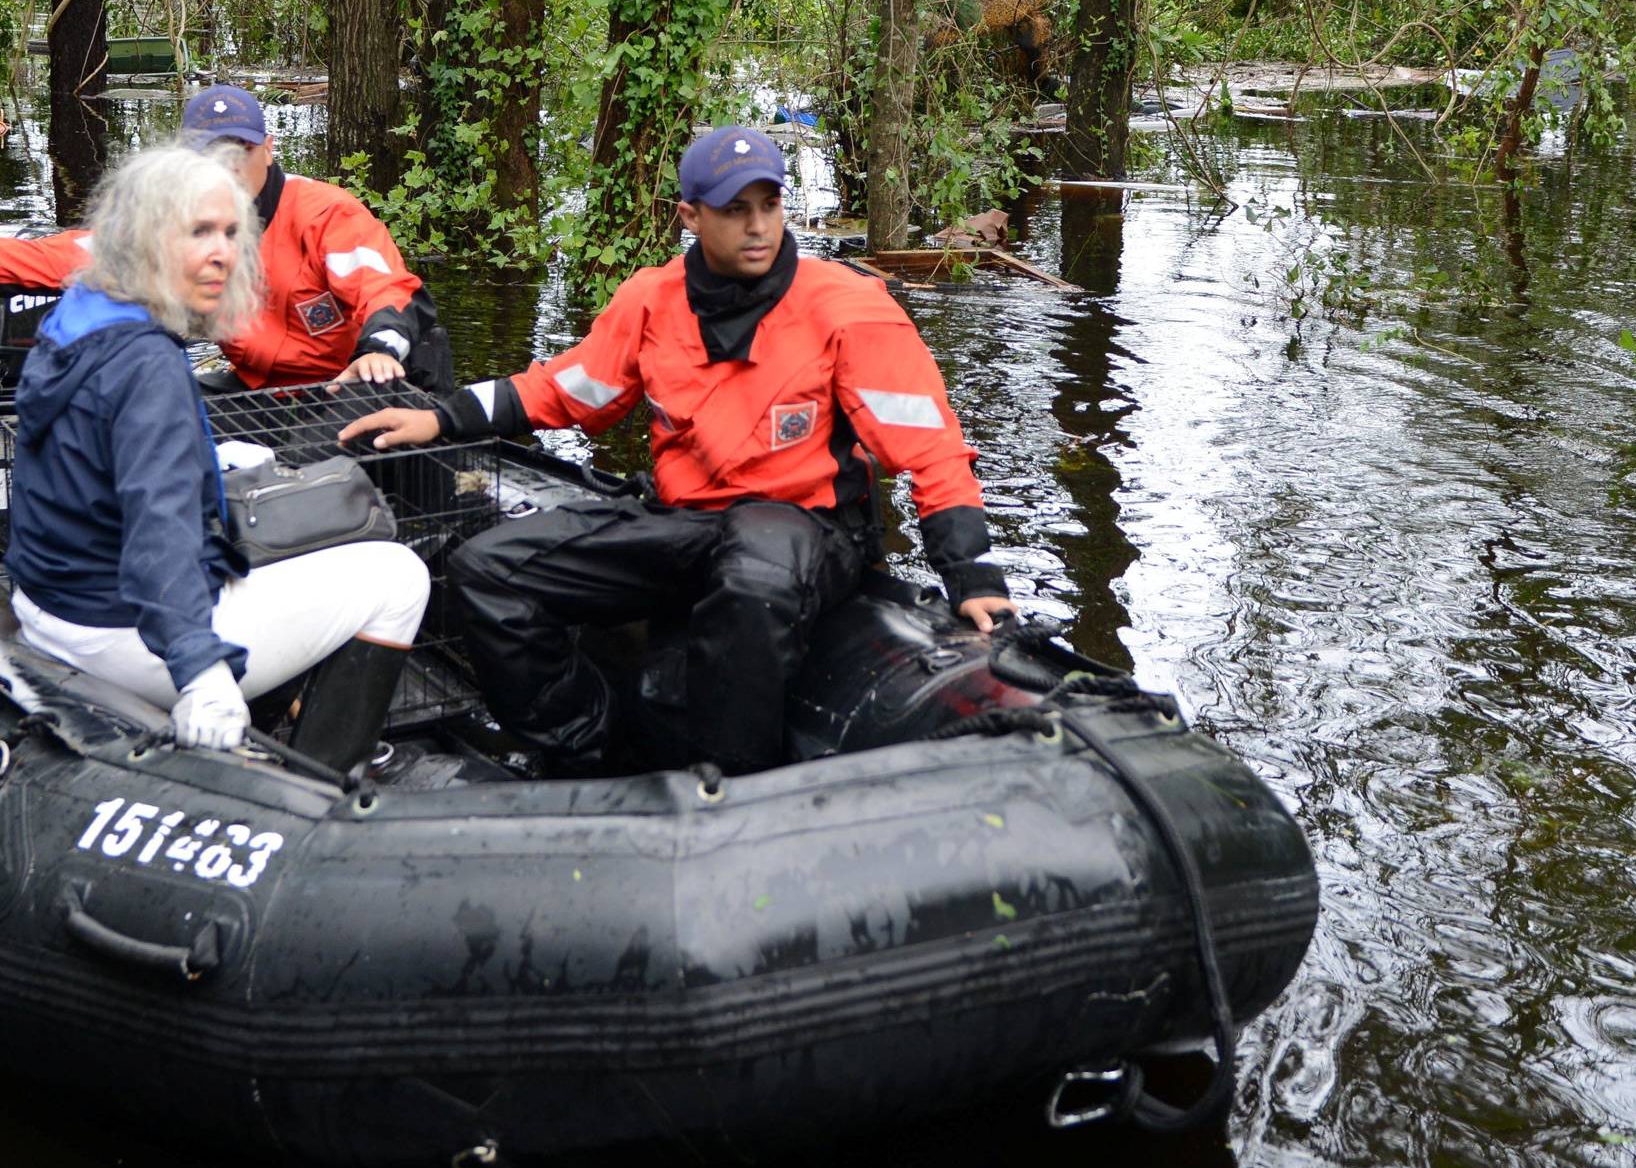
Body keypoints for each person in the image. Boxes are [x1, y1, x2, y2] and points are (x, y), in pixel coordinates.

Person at [345, 124, 1016, 775]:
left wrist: (973, 576)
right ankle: (591, 753)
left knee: (754, 575)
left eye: (770, 205)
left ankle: (730, 783)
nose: (758, 226)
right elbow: (567, 389)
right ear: (690, 216)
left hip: (807, 525)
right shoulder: (651, 299)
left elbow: (929, 445)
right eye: (734, 210)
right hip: (689, 519)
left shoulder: (845, 306)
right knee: (488, 569)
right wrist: (444, 418)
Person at [5, 143, 431, 765]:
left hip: (47, 604)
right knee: (398, 576)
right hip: (120, 634)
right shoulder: (149, 366)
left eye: (232, 233)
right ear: (143, 238)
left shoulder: (83, 314)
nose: (222, 254)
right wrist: (202, 675)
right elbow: (160, 532)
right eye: (199, 232)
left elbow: (98, 461)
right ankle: (324, 775)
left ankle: (273, 703)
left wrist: (207, 455)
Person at [0, 83, 452, 392]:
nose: (228, 166)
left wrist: (379, 349)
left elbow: (385, 288)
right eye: (212, 153)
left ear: (269, 148)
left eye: (243, 150)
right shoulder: (173, 221)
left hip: (349, 380)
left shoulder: (325, 212)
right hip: (260, 389)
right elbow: (68, 253)